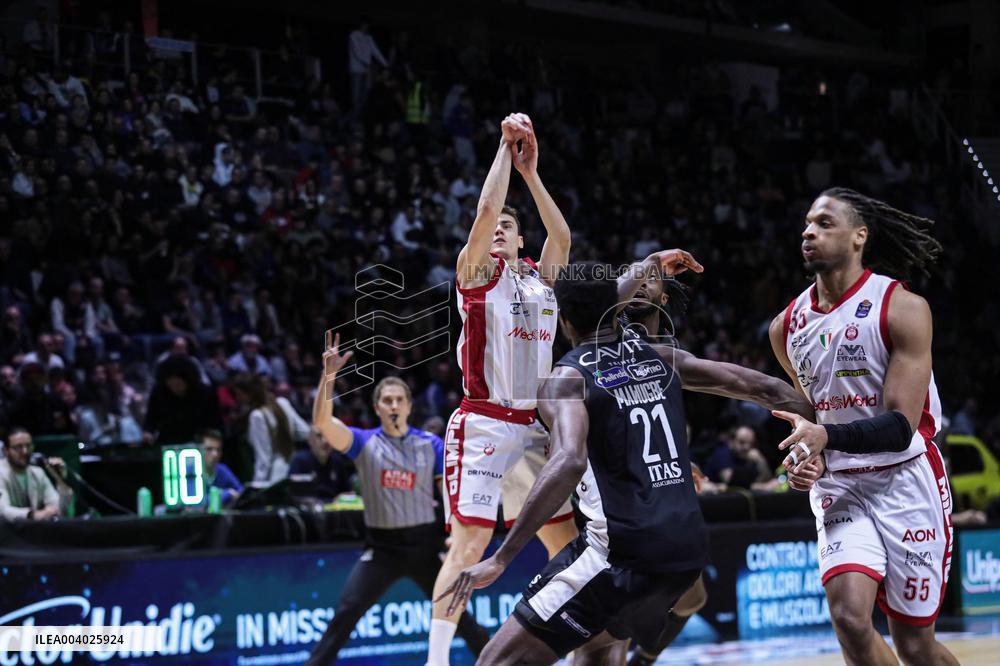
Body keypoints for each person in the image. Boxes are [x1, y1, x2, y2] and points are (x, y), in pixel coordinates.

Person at [438, 258, 814, 665]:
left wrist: (501, 557)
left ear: (561, 318)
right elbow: (766, 387)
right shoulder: (662, 357)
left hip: (619, 554)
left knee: (495, 661)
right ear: (616, 310)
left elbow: (568, 461)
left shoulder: (566, 378)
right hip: (685, 555)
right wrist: (832, 437)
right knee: (599, 648)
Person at [767, 188, 957, 666]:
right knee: (851, 621)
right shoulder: (785, 326)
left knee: (916, 647)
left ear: (859, 236)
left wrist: (825, 438)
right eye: (808, 223)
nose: (809, 231)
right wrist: (803, 460)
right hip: (840, 487)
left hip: (906, 478)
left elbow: (898, 428)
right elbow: (811, 416)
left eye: (825, 223)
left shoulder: (902, 307)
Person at [428, 113, 579, 665]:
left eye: (510, 228)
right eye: (494, 228)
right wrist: (502, 149)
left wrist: (531, 174)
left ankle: (568, 646)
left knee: (564, 545)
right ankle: (437, 660)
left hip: (536, 429)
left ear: (520, 239)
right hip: (486, 421)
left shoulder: (541, 278)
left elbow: (561, 235)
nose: (499, 230)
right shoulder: (475, 273)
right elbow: (487, 209)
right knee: (468, 545)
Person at [305, 335, 488, 665]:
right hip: (382, 549)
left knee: (460, 615)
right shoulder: (363, 442)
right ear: (376, 407)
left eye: (398, 400)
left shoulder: (430, 444)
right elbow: (322, 423)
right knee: (345, 614)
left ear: (408, 406)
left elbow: (449, 491)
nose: (392, 405)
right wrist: (328, 377)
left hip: (424, 547)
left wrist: (455, 534)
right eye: (386, 400)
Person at [232, 374, 309, 485]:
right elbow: (305, 432)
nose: (237, 398)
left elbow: (264, 460)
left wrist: (256, 487)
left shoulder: (257, 416)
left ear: (249, 394)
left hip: (274, 480)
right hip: (294, 470)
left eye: (238, 394)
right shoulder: (283, 403)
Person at [0, 427, 73, 520]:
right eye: (18, 447)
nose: (25, 451)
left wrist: (60, 480)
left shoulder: (38, 472)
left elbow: (63, 511)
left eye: (28, 445)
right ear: (6, 450)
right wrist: (34, 515)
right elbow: (3, 510)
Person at [288, 426, 354, 500]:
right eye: (319, 436)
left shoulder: (337, 461)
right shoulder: (300, 461)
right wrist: (332, 501)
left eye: (328, 436)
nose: (325, 441)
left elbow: (348, 493)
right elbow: (294, 497)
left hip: (335, 510)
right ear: (310, 440)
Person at [198, 429, 243, 506]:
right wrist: (228, 494)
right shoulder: (190, 471)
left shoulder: (222, 469)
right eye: (209, 449)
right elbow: (195, 502)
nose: (215, 454)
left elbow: (242, 493)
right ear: (198, 450)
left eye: (218, 450)